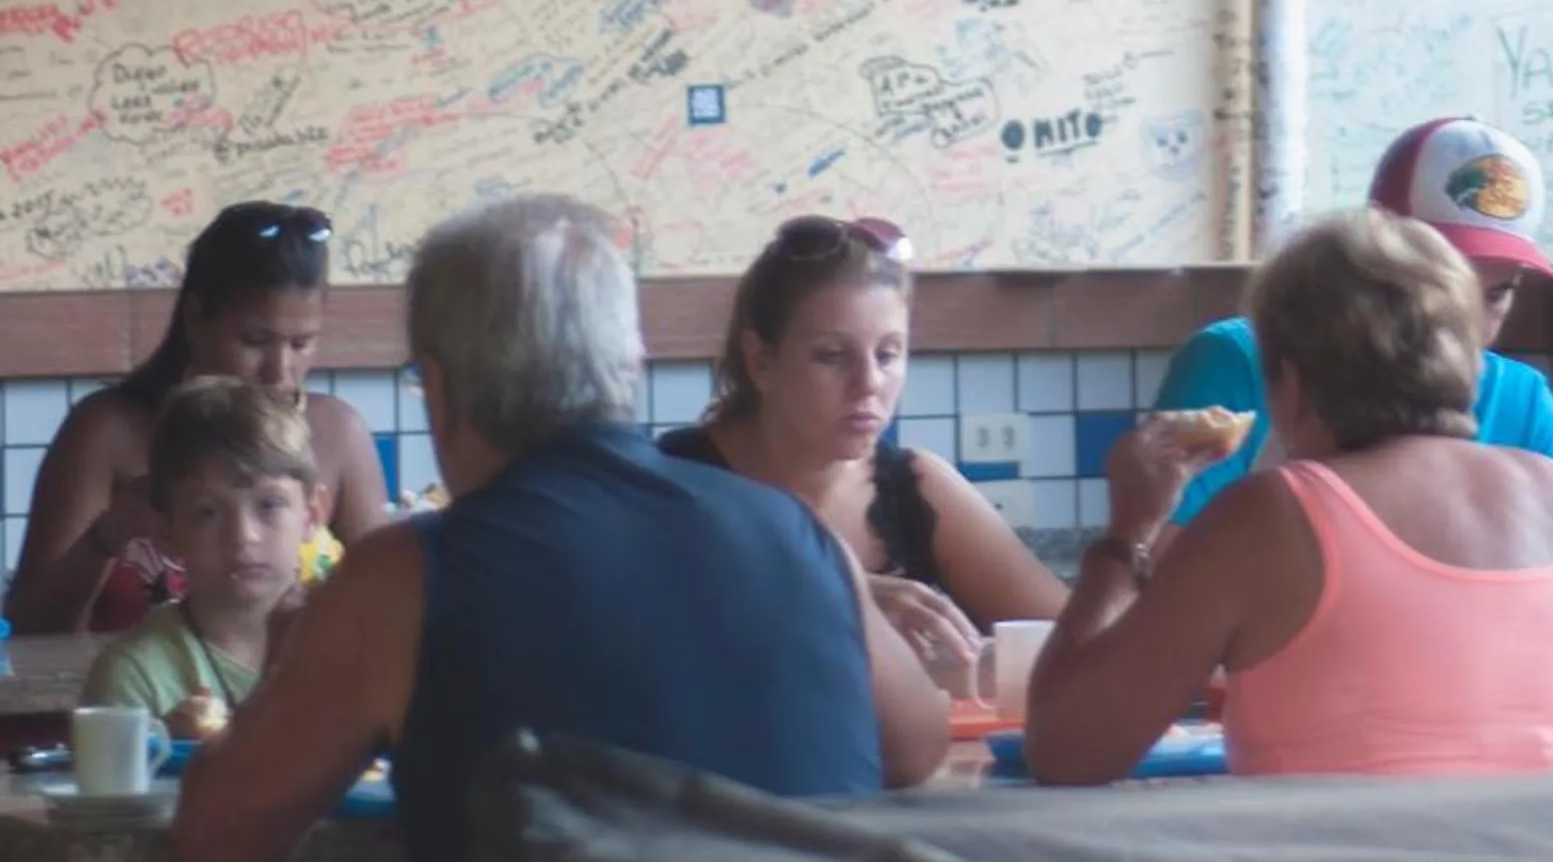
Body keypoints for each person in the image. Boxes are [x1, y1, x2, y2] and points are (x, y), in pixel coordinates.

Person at [169, 197, 946, 862]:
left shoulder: (401, 580)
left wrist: (286, 671)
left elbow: (217, 832)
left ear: (439, 390)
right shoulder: (800, 537)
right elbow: (919, 749)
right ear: (627, 364)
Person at [1023, 211, 1553, 784]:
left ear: (1288, 379)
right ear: (1466, 361)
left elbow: (1065, 749)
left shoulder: (1274, 515)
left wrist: (1127, 532)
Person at [659, 214, 1066, 666]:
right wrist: (842, 596)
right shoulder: (672, 484)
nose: (869, 383)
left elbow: (1077, 644)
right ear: (760, 362)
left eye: (888, 354)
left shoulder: (916, 490)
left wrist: (1130, 543)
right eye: (832, 356)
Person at [1149, 117, 1553, 525]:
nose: (1466, 324)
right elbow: (1161, 572)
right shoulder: (1241, 362)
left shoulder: (1523, 401)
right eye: (1439, 291)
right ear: (1365, 263)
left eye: (1497, 293)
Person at [5, 202, 389, 636]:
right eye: (254, 340)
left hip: (300, 698)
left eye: (301, 344)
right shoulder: (108, 432)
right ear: (195, 318)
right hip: (132, 697)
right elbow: (26, 627)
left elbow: (389, 609)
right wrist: (103, 540)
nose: (279, 372)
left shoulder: (340, 433)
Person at [81, 378, 325, 738]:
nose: (244, 537)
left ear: (312, 517)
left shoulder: (352, 646)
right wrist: (174, 755)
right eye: (208, 512)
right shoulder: (136, 677)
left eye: (269, 505)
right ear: (167, 531)